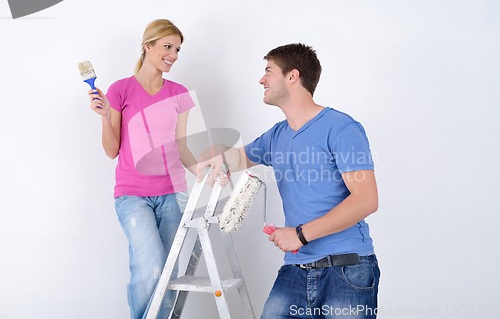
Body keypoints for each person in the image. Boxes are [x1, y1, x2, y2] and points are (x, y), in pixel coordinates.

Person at [198, 43, 380, 318]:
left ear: (292, 76)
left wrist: (299, 234)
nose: (262, 79)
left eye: (269, 71)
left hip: (346, 269)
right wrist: (212, 157)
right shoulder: (276, 136)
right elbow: (235, 158)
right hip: (297, 270)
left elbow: (366, 200)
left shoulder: (342, 128)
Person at [88, 19, 198, 319]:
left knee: (170, 273)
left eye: (177, 49)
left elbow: (182, 148)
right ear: (147, 46)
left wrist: (203, 172)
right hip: (133, 196)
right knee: (150, 268)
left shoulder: (180, 93)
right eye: (167, 47)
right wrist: (104, 115)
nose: (173, 55)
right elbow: (112, 151)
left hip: (173, 195)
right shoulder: (121, 89)